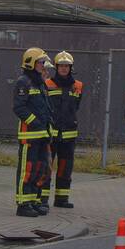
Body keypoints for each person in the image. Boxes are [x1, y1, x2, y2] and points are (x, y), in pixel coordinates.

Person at [12, 47, 54, 217]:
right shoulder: (24, 82)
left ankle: (34, 201)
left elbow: (46, 108)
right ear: (31, 63)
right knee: (27, 170)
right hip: (29, 135)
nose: (43, 66)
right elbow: (19, 107)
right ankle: (23, 204)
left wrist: (48, 127)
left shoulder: (40, 82)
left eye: (44, 63)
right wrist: (35, 123)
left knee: (40, 169)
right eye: (40, 63)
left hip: (42, 135)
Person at [42, 51, 84, 209]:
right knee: (47, 167)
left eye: (67, 66)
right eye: (61, 66)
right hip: (52, 134)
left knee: (66, 168)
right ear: (56, 67)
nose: (64, 69)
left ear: (70, 67)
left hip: (69, 134)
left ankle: (62, 199)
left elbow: (76, 106)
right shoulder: (47, 85)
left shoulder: (78, 86)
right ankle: (43, 200)